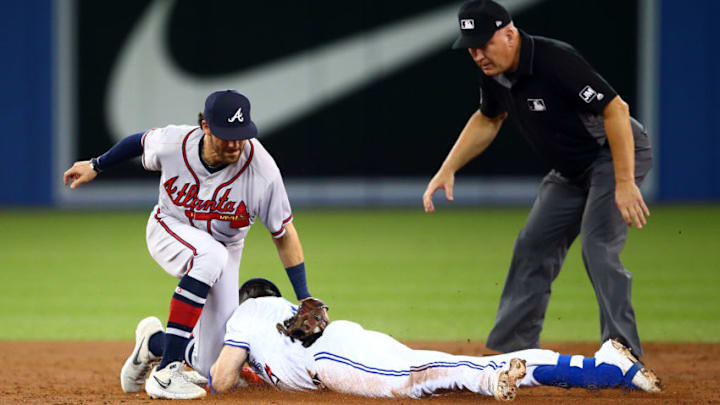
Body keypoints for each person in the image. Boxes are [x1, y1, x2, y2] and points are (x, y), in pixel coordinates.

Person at [422, 0, 653, 359]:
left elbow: (616, 109)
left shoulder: (554, 60)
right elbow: (488, 118)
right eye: (472, 47)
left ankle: (623, 353)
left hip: (613, 157)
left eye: (485, 43)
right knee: (532, 247)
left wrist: (624, 181)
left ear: (510, 34)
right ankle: (513, 352)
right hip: (570, 171)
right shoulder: (493, 72)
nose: (478, 54)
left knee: (597, 247)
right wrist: (448, 167)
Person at [63, 90, 314, 400]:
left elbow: (284, 233)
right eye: (227, 134)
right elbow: (137, 142)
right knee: (209, 254)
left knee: (212, 365)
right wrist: (96, 165)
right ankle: (167, 372)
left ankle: (152, 343)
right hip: (169, 227)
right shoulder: (175, 143)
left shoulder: (262, 171)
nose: (236, 143)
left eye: (241, 134)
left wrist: (305, 297)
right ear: (205, 127)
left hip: (227, 248)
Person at [166, 278, 657, 402]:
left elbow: (224, 378)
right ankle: (603, 367)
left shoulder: (248, 312)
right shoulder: (276, 317)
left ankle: (490, 382)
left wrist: (212, 379)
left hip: (333, 354)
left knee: (414, 378)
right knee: (428, 370)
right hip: (343, 344)